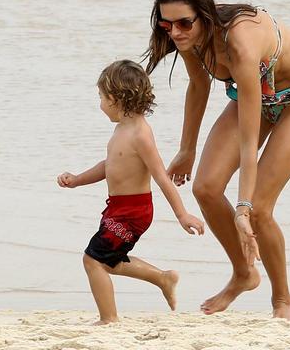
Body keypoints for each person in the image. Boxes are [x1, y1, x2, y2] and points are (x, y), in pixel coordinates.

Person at [143, 0, 290, 320]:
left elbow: (248, 142)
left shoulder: (239, 43)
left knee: (259, 208)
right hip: (255, 96)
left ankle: (282, 301)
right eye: (167, 25)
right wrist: (187, 149)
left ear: (205, 13)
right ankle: (244, 274)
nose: (176, 32)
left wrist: (242, 209)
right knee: (206, 187)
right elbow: (198, 87)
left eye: (184, 22)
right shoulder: (189, 39)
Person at [57, 59, 205, 325]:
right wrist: (78, 179)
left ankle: (109, 319)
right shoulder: (121, 129)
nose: (100, 104)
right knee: (109, 260)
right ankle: (163, 278)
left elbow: (161, 176)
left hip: (133, 212)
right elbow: (109, 165)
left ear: (115, 98)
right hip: (118, 208)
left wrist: (182, 215)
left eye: (101, 97)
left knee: (92, 260)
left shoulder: (140, 135)